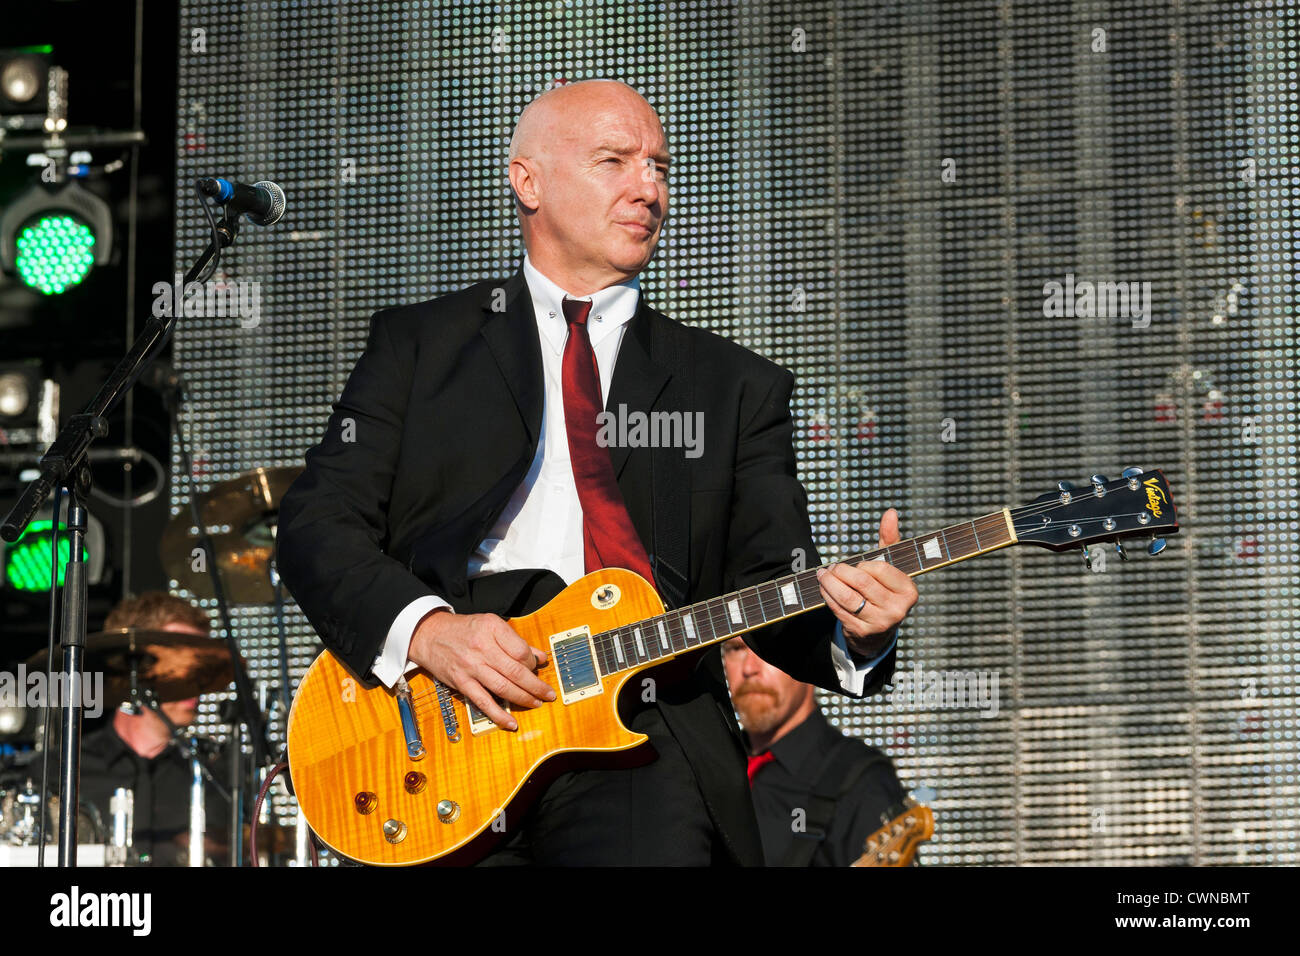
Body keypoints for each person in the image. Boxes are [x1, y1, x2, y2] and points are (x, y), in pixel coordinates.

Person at [275, 78, 919, 865]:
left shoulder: (735, 386)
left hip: (646, 729)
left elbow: (769, 581)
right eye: (614, 161)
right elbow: (315, 526)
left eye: (660, 167)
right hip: (443, 729)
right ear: (528, 181)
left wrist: (857, 632)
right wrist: (429, 633)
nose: (647, 188)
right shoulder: (421, 345)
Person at [722, 635, 909, 866]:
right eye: (735, 649)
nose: (749, 668)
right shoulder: (706, 767)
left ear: (806, 662)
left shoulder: (862, 783)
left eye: (765, 647)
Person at [75, 591, 229, 866]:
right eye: (178, 657)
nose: (194, 675)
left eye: (199, 662)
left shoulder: (218, 778)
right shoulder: (62, 772)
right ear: (132, 665)